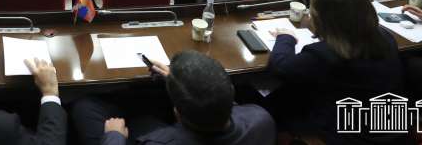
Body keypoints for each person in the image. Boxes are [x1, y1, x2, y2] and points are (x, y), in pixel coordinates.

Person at [267, 0, 403, 140]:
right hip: (386, 125)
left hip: (347, 133)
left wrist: (285, 37)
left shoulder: (323, 55)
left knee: (276, 99)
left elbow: (281, 67)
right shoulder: (385, 37)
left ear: (323, 21)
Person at [71, 51, 275, 145]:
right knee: (144, 120)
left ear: (177, 112)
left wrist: (114, 137)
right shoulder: (261, 118)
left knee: (85, 107)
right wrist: (177, 80)